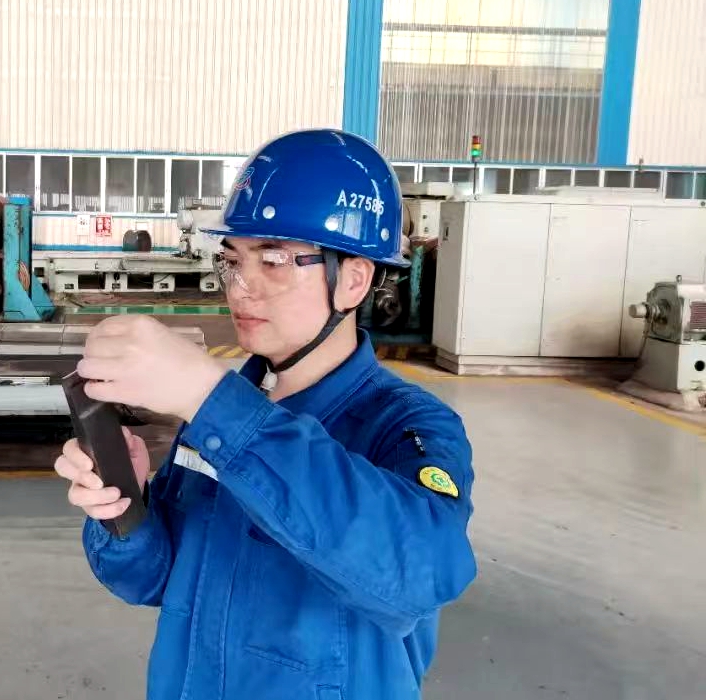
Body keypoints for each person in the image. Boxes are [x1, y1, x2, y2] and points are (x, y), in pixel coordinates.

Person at [53, 128, 476, 700]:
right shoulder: (218, 417)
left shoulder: (408, 427)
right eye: (232, 261)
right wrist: (126, 510)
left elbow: (419, 575)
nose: (241, 288)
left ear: (353, 280)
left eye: (273, 260)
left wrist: (211, 400)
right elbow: (153, 580)